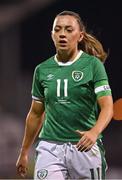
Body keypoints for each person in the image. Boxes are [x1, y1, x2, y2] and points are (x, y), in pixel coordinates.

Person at [16, 10, 113, 179]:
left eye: (69, 30)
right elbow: (36, 114)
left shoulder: (93, 65)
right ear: (52, 34)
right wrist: (24, 151)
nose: (62, 34)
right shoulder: (42, 70)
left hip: (84, 147)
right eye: (58, 29)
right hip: (50, 147)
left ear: (80, 36)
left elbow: (107, 106)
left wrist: (94, 132)